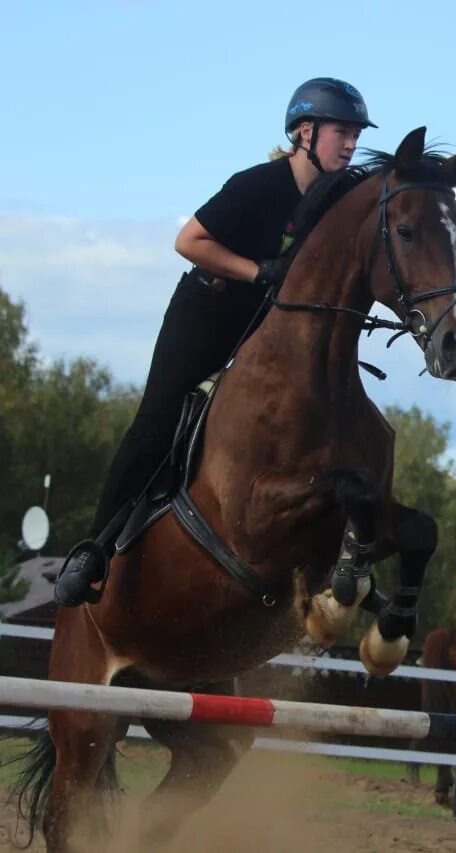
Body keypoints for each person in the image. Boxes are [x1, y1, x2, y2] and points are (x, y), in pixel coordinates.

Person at [53, 77, 377, 607]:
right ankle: (95, 548)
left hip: (266, 326)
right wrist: (259, 271)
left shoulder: (336, 196)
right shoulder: (258, 185)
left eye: (355, 135)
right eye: (341, 131)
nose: (350, 143)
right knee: (157, 419)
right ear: (304, 131)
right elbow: (189, 242)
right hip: (207, 311)